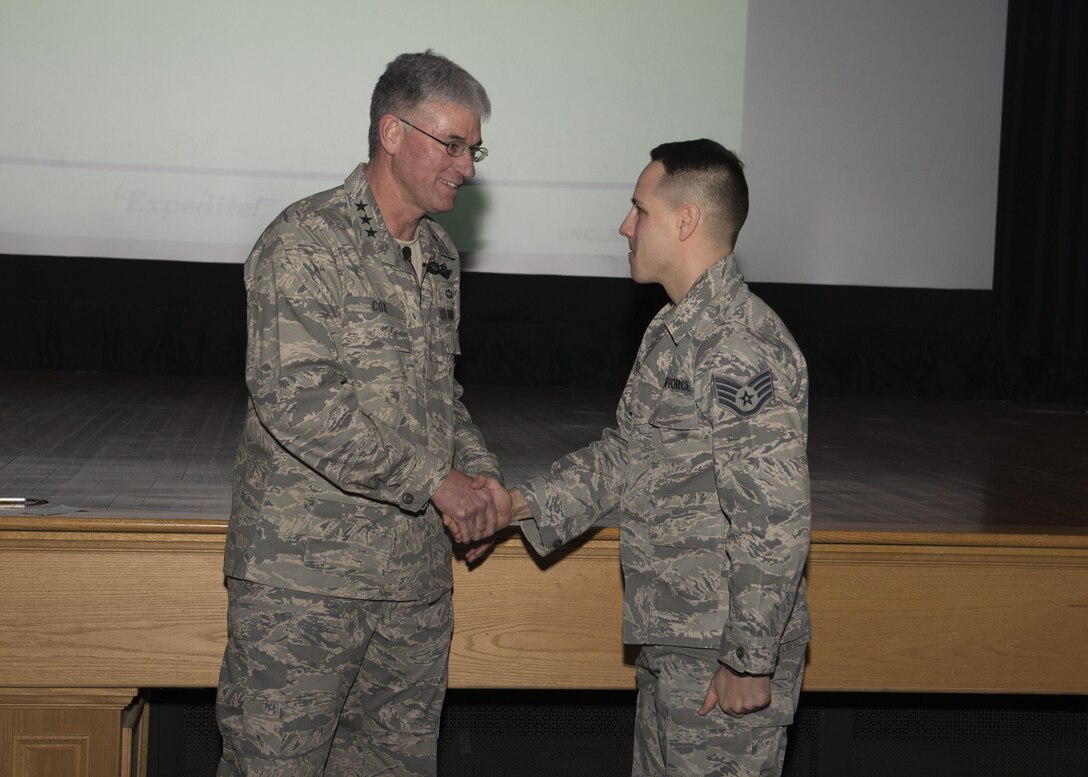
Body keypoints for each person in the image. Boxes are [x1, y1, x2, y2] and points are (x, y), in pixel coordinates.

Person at [454, 139, 811, 776]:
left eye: (638, 209)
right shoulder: (672, 331)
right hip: (679, 643)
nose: (625, 225)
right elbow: (626, 456)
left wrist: (748, 659)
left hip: (719, 655)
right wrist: (517, 504)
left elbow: (773, 517)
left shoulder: (738, 345)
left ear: (686, 221)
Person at [217, 51, 503, 777]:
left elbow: (443, 395)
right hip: (305, 585)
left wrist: (482, 479)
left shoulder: (439, 255)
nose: (466, 165)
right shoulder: (304, 243)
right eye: (452, 143)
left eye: (474, 148)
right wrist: (437, 481)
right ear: (392, 132)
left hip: (411, 590)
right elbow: (299, 399)